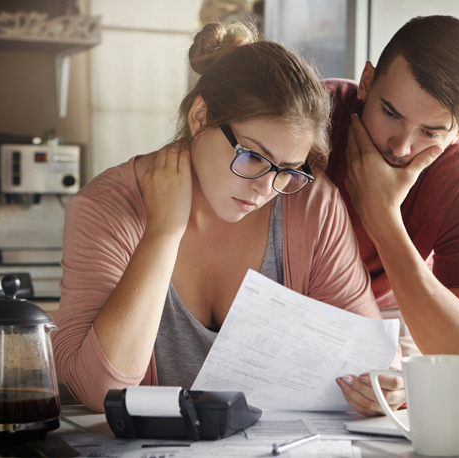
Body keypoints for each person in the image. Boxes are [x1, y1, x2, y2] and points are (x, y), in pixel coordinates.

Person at [52, 22, 402, 414]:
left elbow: (371, 359)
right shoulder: (105, 208)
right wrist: (164, 232)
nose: (265, 188)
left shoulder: (312, 204)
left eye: (287, 169)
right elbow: (100, 390)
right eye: (252, 156)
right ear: (200, 117)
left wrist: (387, 386)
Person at [327, 16, 459, 413]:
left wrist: (384, 221)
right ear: (367, 81)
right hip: (286, 294)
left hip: (392, 309)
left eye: (431, 132)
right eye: (390, 113)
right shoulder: (311, 116)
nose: (402, 147)